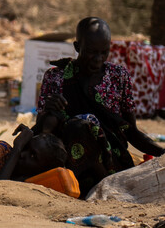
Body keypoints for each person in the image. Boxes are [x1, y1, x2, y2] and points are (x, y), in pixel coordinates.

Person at [35, 17, 164, 195]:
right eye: (92, 52)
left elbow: (130, 130)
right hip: (68, 166)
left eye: (104, 52)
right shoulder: (56, 77)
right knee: (79, 125)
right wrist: (49, 109)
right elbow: (43, 132)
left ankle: (105, 184)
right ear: (77, 47)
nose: (98, 59)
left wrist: (161, 152)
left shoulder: (118, 76)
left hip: (111, 164)